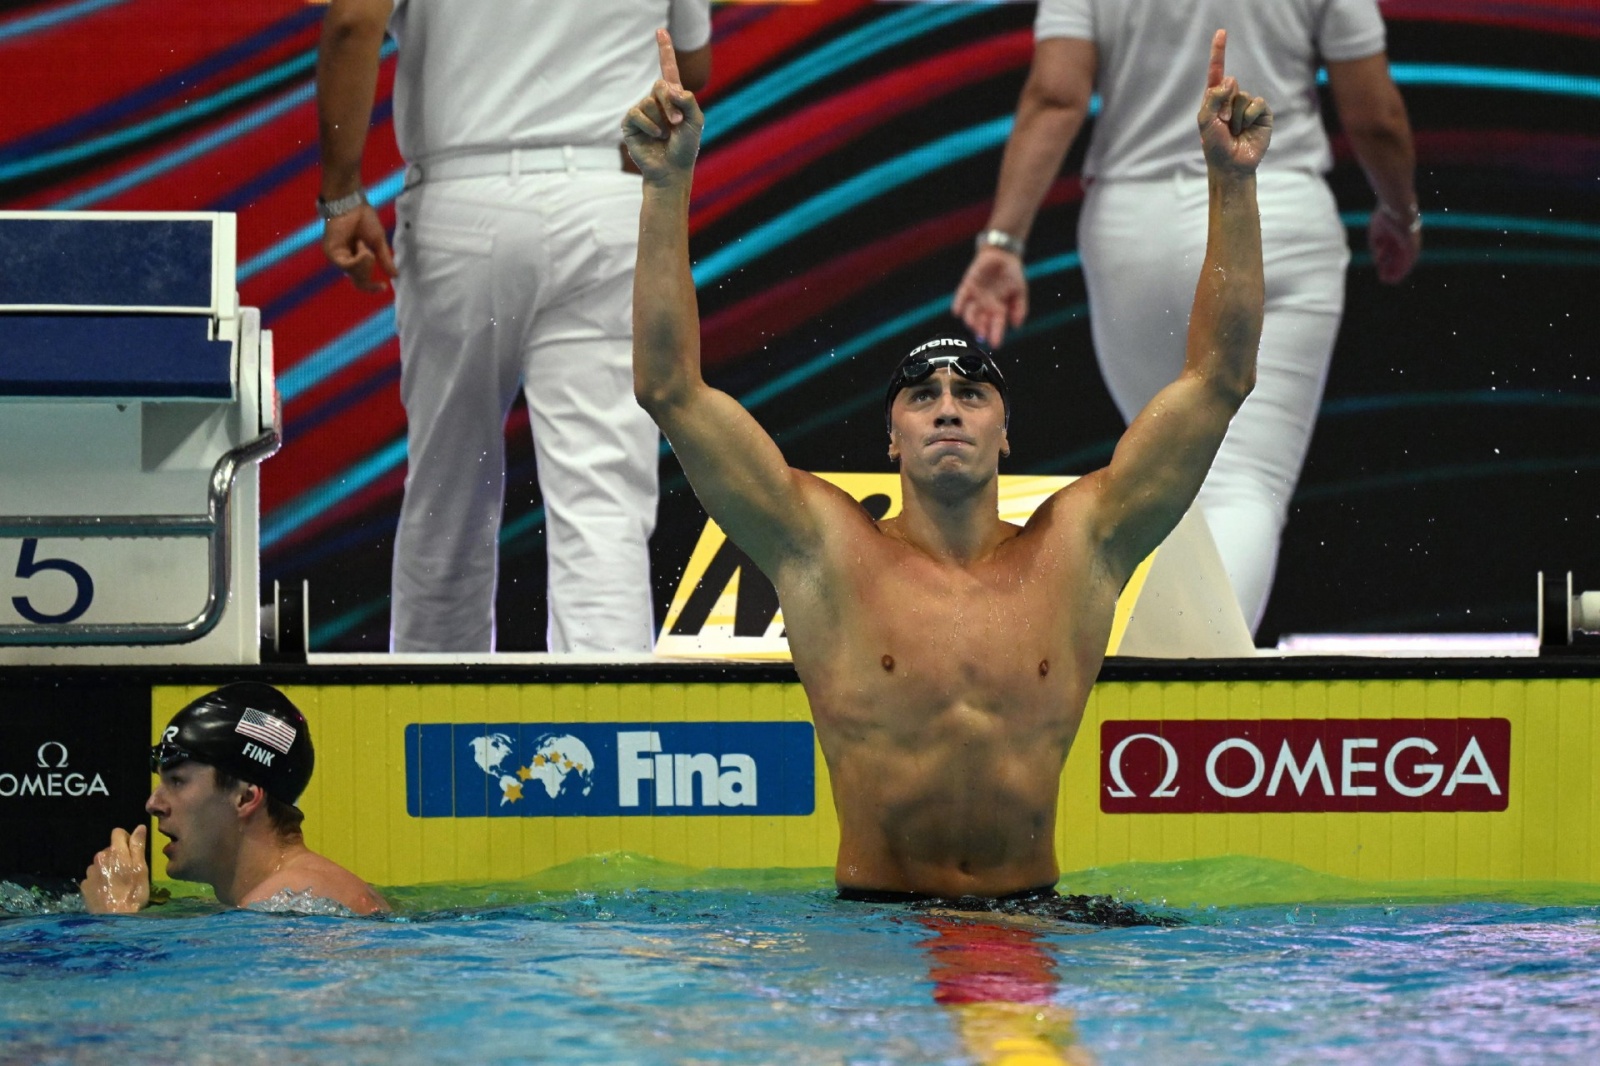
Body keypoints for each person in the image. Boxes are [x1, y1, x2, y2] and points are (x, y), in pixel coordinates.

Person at [625, 29, 1268, 900]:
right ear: (890, 439)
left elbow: (1219, 380)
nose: (948, 405)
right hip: (876, 928)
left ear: (1008, 433)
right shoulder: (823, 550)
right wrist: (666, 189)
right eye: (921, 395)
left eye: (972, 391)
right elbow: (670, 388)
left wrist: (1233, 184)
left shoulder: (1080, 548)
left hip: (1034, 922)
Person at [954, 0, 1420, 636]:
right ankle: (1185, 686)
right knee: (1238, 484)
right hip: (1272, 213)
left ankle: (1152, 683)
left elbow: (1056, 97)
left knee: (1171, 483)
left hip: (1131, 230)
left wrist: (1002, 242)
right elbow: (1376, 118)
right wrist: (1400, 210)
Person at [314, 0, 712, 653]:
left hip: (461, 203)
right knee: (603, 498)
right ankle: (606, 732)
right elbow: (690, 59)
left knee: (448, 491)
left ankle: (425, 729)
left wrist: (341, 193)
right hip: (607, 194)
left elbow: (354, 21)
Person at [79, 683, 386, 915]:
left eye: (177, 781)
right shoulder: (291, 897)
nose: (153, 804)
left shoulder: (287, 902)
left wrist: (115, 915)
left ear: (245, 798)